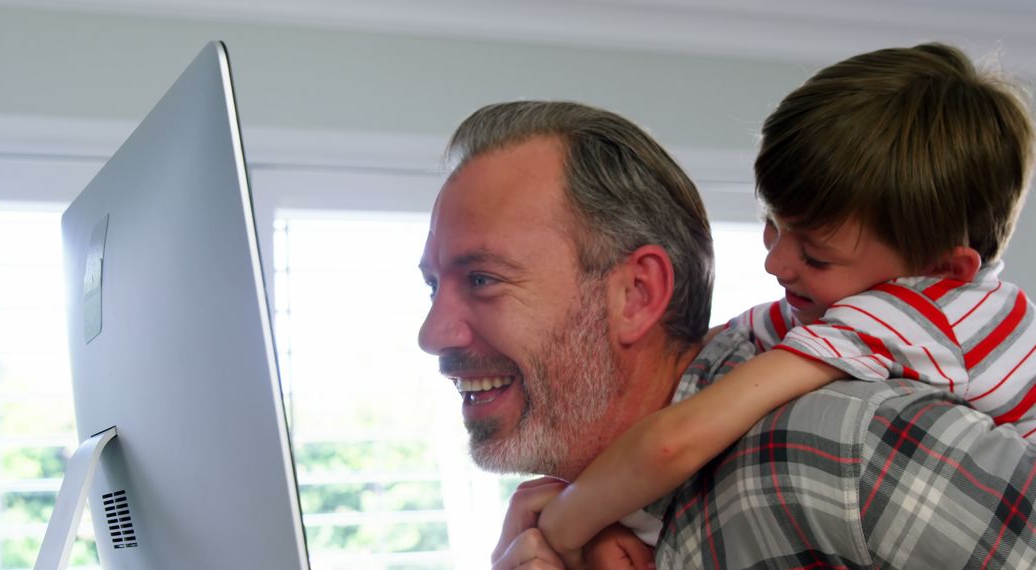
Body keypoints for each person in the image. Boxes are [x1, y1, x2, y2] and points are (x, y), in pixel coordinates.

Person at [417, 98, 1036, 569]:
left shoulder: (840, 442)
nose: (433, 332)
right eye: (433, 285)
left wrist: (565, 527)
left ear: (637, 295)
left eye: (482, 278)